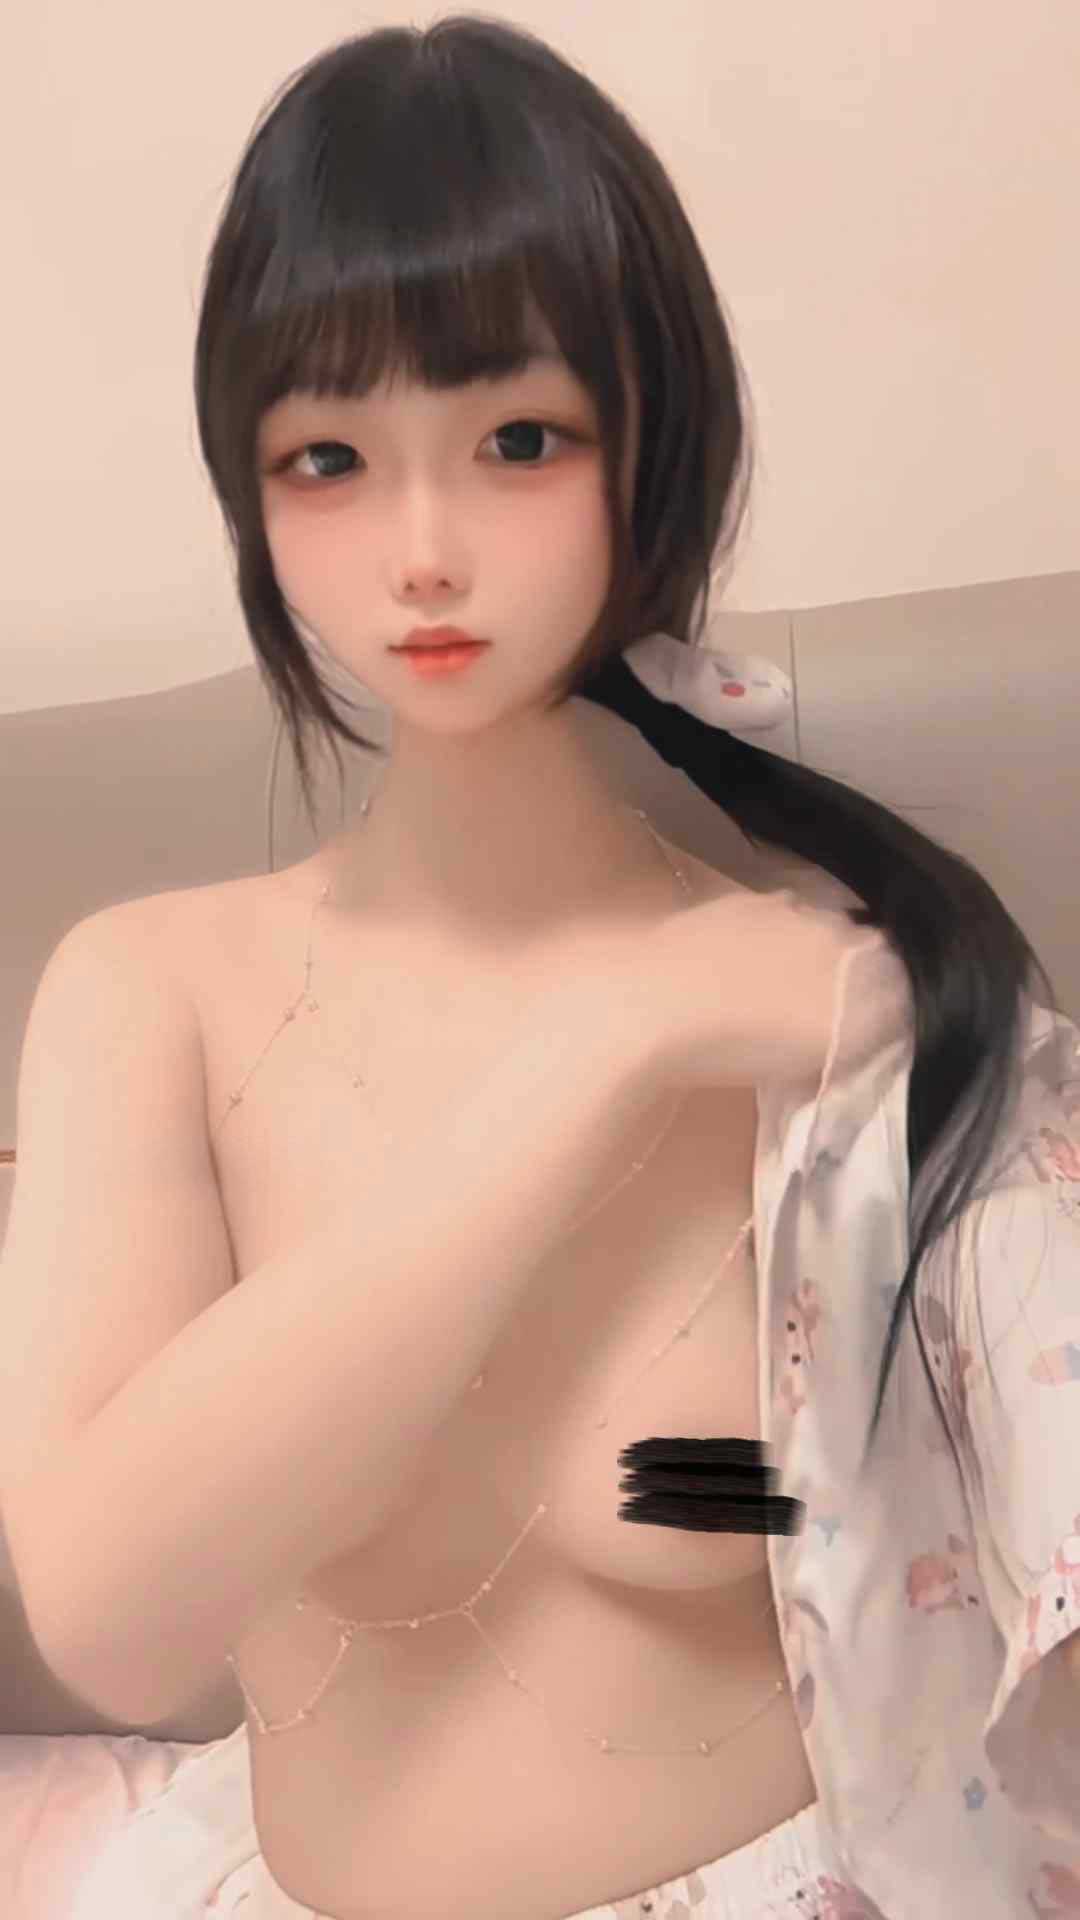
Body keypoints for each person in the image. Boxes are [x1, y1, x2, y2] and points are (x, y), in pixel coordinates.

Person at [5, 16, 1079, 1920]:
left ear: (655, 445)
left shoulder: (843, 1003)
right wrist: (606, 1041)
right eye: (329, 458)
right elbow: (119, 1629)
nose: (423, 551)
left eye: (518, 440)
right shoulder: (148, 991)